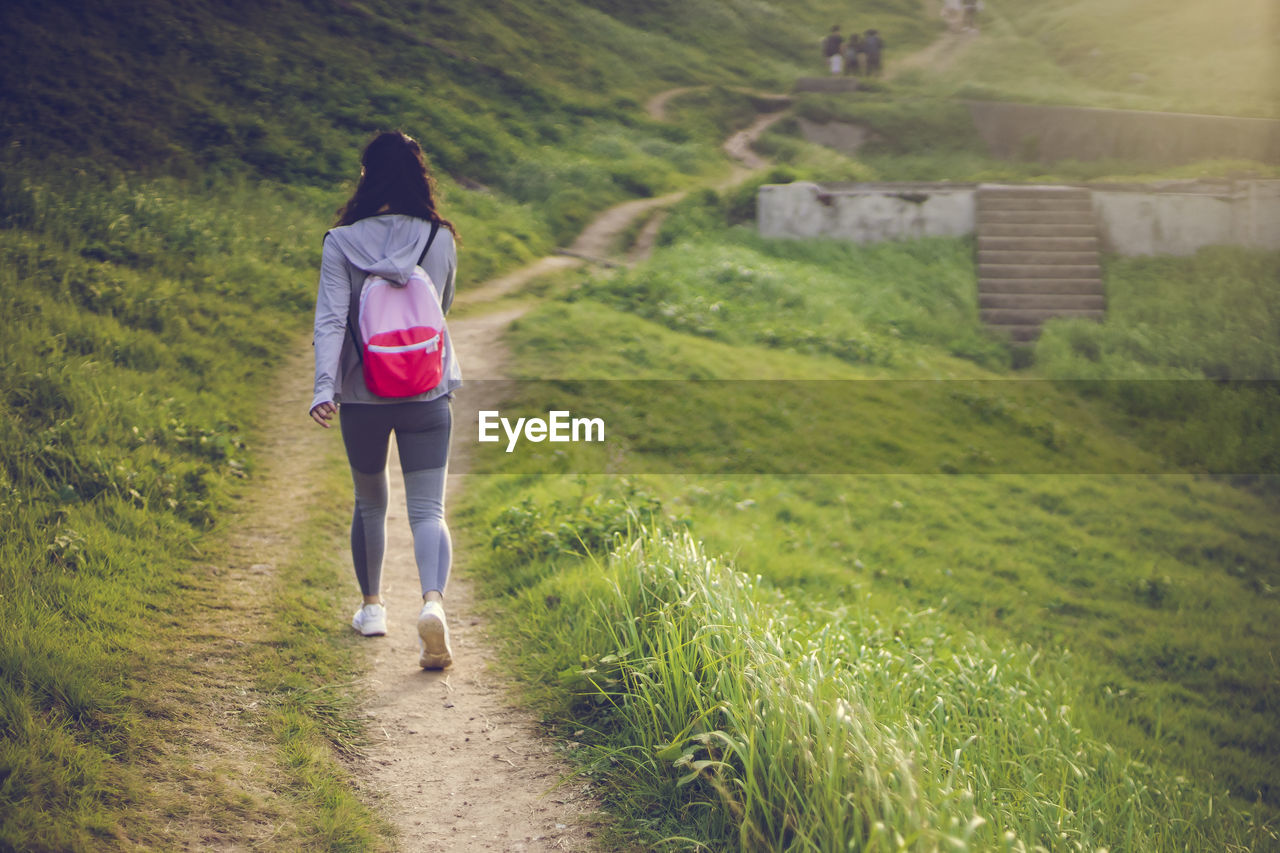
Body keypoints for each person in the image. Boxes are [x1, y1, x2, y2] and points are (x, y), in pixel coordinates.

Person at [310, 130, 461, 670]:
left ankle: (372, 608)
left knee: (370, 501)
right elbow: (439, 308)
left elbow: (330, 319)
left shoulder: (341, 241)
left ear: (367, 176)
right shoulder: (438, 238)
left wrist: (324, 386)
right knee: (428, 509)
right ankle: (433, 604)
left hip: (362, 393)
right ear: (420, 175)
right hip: (427, 390)